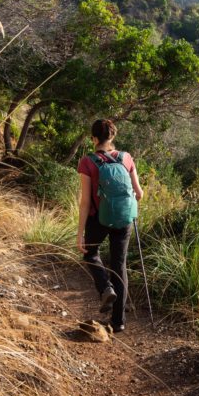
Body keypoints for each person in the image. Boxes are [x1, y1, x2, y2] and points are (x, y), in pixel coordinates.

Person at [76, 119, 144, 332]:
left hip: (99, 219)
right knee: (119, 265)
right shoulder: (126, 158)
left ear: (94, 139)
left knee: (90, 253)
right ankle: (118, 322)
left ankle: (106, 288)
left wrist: (80, 234)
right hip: (124, 218)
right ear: (112, 137)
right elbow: (139, 194)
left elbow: (86, 202)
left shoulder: (87, 162)